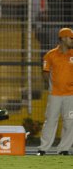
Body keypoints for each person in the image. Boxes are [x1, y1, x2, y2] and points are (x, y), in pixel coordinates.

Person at [37, 28, 73, 156]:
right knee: (50, 121)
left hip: (70, 95)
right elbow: (45, 72)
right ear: (63, 38)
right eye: (71, 38)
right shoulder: (50, 55)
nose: (72, 41)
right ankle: (43, 148)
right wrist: (51, 85)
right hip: (55, 94)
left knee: (70, 122)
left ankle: (64, 149)